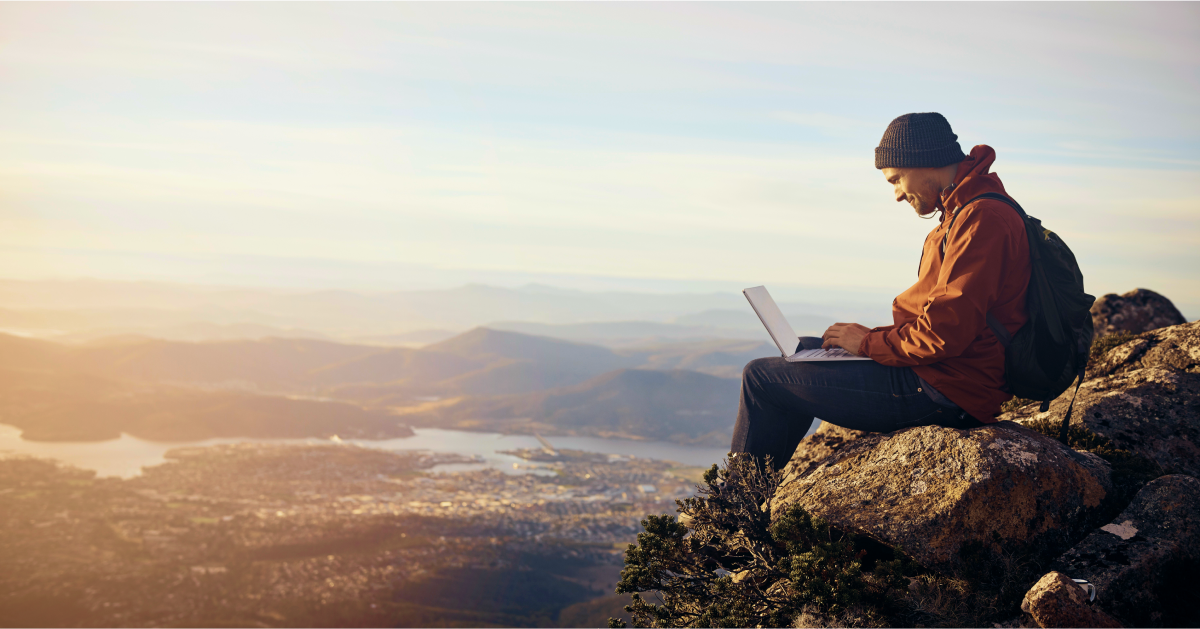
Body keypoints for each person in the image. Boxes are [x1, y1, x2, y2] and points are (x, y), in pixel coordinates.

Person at [730, 112, 1031, 470]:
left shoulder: (980, 218)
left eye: (896, 179)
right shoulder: (966, 210)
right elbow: (946, 320)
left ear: (923, 160)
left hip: (947, 390)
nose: (898, 195)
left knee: (761, 377)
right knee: (807, 350)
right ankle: (758, 496)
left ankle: (735, 513)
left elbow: (943, 334)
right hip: (947, 375)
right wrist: (868, 338)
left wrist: (866, 343)